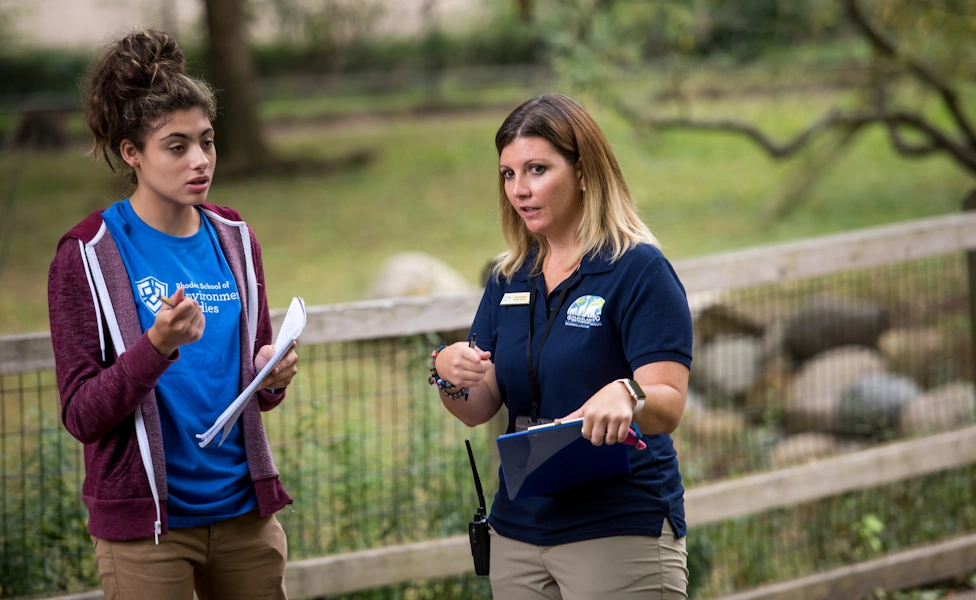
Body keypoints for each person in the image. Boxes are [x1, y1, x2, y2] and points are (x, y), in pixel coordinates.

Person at [47, 29, 298, 600]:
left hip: (244, 515)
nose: (201, 160)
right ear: (132, 152)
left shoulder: (234, 238)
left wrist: (271, 374)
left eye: (207, 141)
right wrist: (155, 348)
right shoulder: (89, 253)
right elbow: (82, 414)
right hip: (147, 532)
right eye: (177, 146)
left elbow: (252, 382)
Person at [430, 93, 693, 599]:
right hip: (518, 533)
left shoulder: (638, 269)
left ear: (584, 172)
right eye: (508, 174)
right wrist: (446, 369)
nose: (520, 190)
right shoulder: (509, 277)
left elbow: (668, 401)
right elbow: (477, 407)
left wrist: (627, 392)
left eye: (536, 169)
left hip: (616, 529)